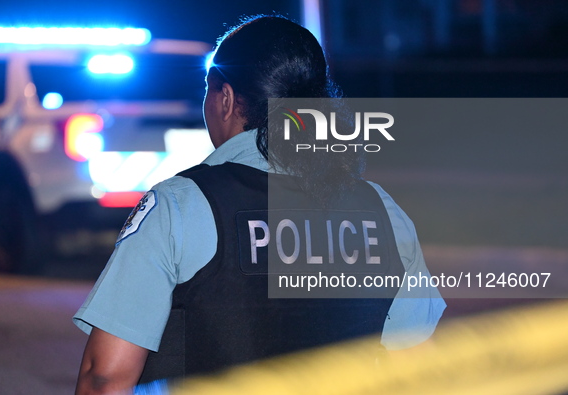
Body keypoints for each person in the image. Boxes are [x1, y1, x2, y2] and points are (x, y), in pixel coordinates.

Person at [74, 15, 446, 394]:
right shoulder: (381, 210)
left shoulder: (179, 205)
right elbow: (415, 367)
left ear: (226, 99)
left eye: (208, 88)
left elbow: (106, 377)